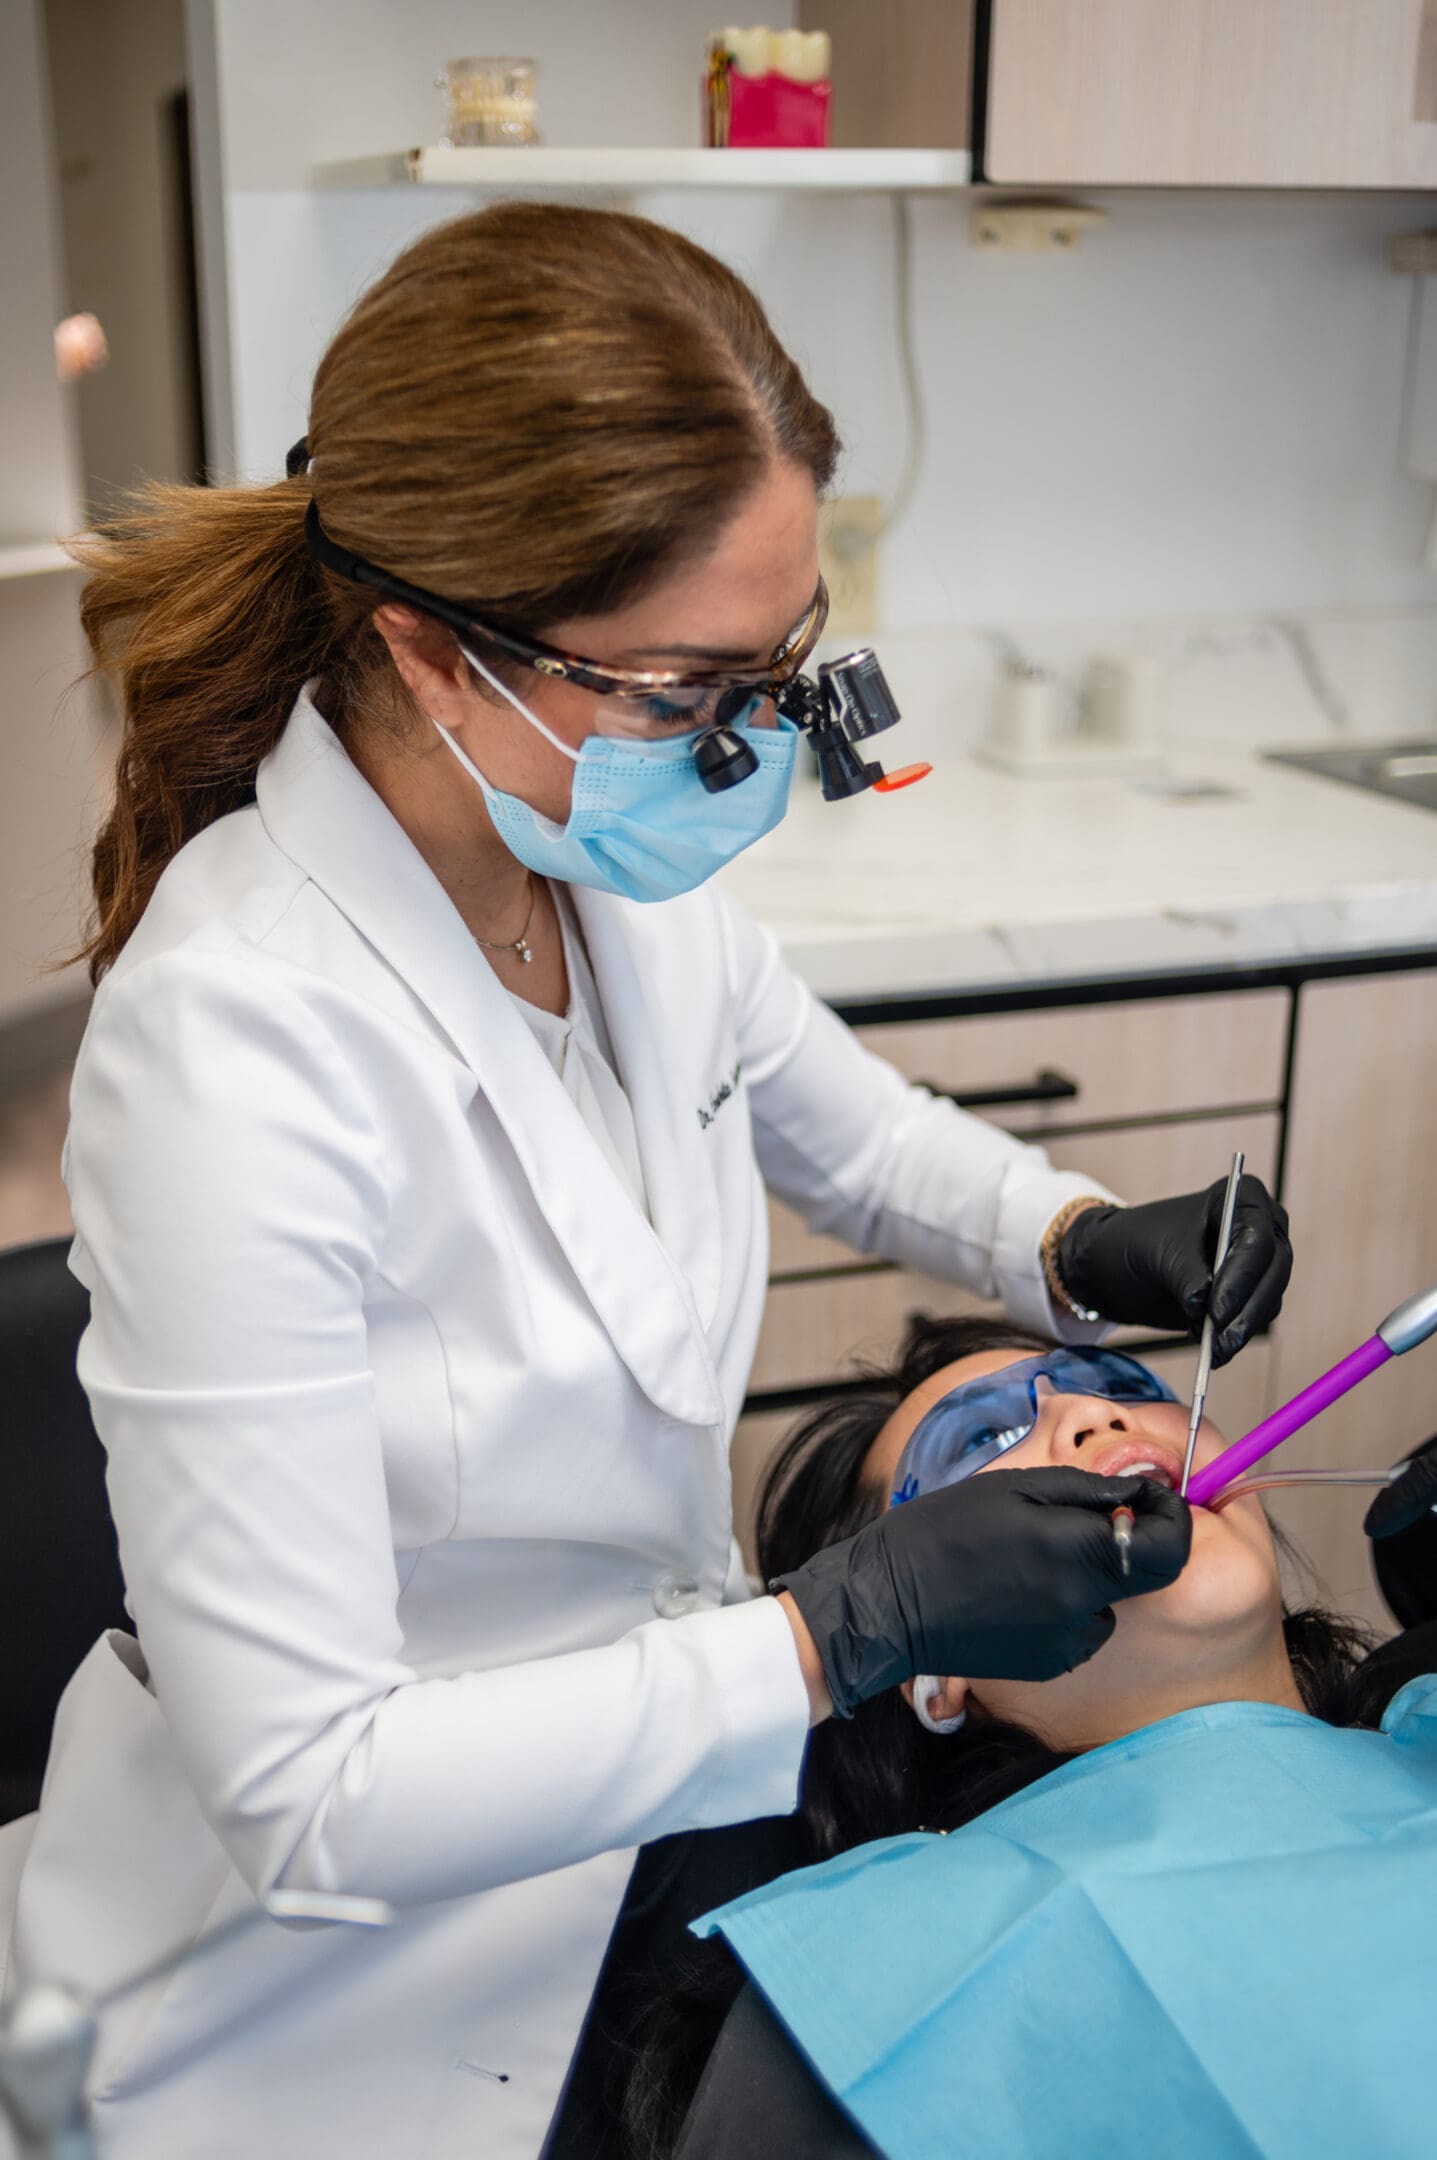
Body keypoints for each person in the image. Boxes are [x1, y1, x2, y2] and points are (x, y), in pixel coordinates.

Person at [0, 203, 1290, 2160]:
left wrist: (1072, 1235)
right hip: (329, 1984)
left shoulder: (598, 866)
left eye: (776, 668)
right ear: (431, 651)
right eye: (684, 693)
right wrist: (830, 1634)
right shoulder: (236, 1039)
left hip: (641, 1814)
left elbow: (843, 1131)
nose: (740, 753)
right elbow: (312, 1790)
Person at [613, 1316, 1437, 2160]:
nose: (1092, 1411)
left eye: (1124, 1385)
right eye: (982, 1438)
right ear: (926, 1660)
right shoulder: (865, 2001)